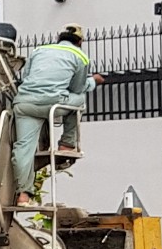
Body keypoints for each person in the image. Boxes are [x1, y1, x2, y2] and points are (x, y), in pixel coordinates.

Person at [8, 25, 96, 206]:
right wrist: (93, 82)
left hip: (25, 103)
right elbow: (77, 88)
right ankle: (67, 144)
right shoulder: (80, 56)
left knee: (23, 148)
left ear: (59, 38)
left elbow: (27, 77)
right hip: (52, 104)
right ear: (80, 42)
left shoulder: (39, 50)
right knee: (79, 99)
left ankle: (23, 195)